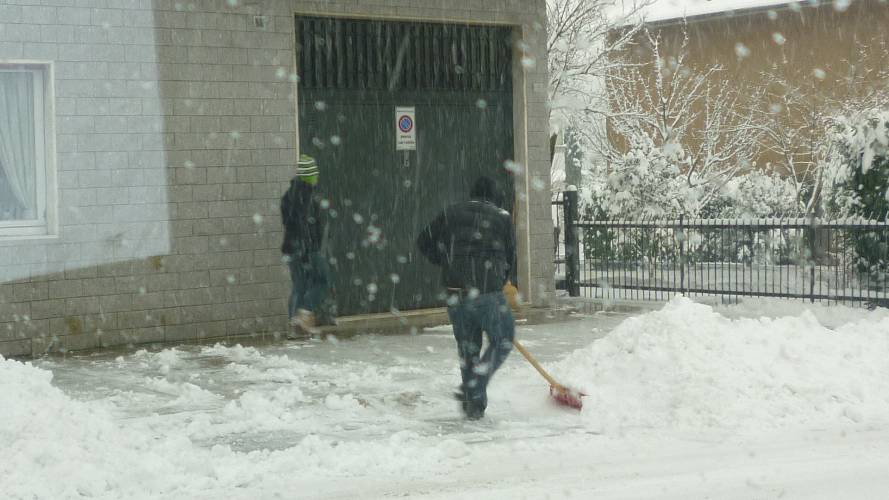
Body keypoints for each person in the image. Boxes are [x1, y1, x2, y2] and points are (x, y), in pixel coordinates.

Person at [416, 176, 517, 420]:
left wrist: (446, 262)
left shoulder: (451, 212)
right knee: (503, 339)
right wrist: (500, 279)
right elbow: (510, 256)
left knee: (468, 349)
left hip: (455, 294)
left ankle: (474, 406)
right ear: (494, 197)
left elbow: (423, 241)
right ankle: (475, 386)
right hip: (486, 293)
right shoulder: (501, 217)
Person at [280, 154, 330, 337]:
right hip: (307, 248)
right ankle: (304, 313)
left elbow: (290, 223)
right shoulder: (306, 195)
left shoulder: (288, 195)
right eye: (315, 174)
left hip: (291, 248)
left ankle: (295, 327)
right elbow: (305, 225)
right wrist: (307, 251)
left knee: (299, 286)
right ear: (310, 175)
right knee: (323, 281)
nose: (317, 177)